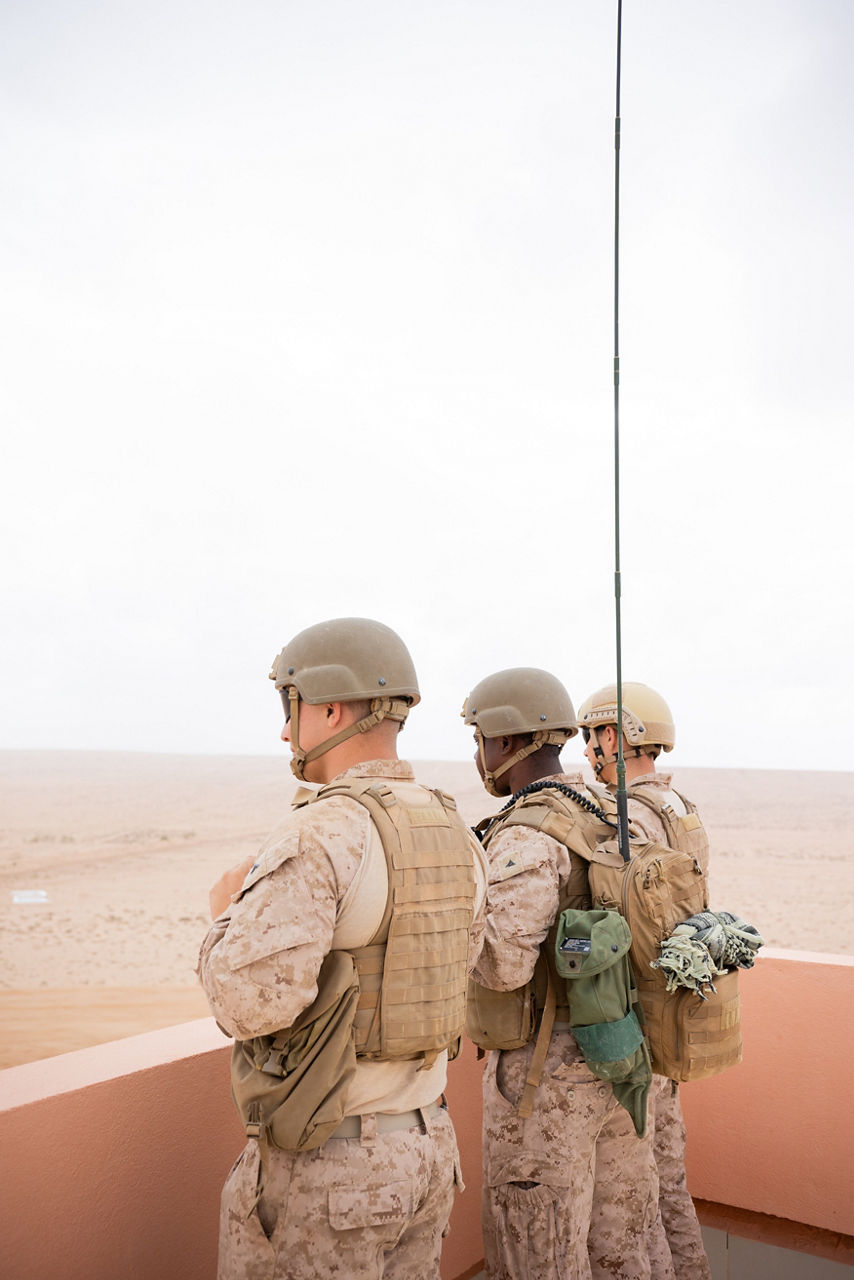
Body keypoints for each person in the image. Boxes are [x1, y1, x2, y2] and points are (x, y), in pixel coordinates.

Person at [198, 618, 486, 1280]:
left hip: (334, 1170)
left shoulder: (325, 832)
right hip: (427, 1147)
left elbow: (247, 1004)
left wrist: (223, 917)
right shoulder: (454, 829)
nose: (284, 730)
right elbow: (466, 966)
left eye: (291, 706)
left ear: (329, 709)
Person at [462, 667, 669, 1280]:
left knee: (538, 1255)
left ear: (503, 743)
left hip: (544, 1089)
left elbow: (502, 965)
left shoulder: (527, 832)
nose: (480, 757)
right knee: (621, 1251)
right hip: (620, 1058)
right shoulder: (614, 813)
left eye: (480, 741)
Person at [578, 682, 711, 1280]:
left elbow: (610, 920)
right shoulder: (682, 809)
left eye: (590, 737)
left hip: (641, 1025)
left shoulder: (627, 815)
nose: (585, 753)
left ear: (614, 735)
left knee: (632, 1200)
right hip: (678, 1011)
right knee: (672, 1183)